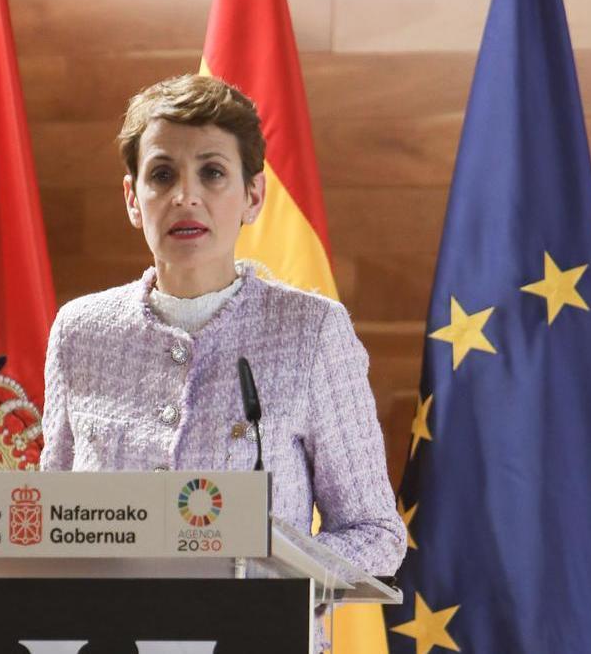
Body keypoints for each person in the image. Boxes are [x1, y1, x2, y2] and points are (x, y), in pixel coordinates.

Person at [39, 74, 406, 580]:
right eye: (162, 175)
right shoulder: (79, 332)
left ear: (253, 195)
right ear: (132, 197)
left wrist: (261, 577)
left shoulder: (311, 331)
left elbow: (375, 533)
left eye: (212, 173)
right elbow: (52, 525)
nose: (185, 196)